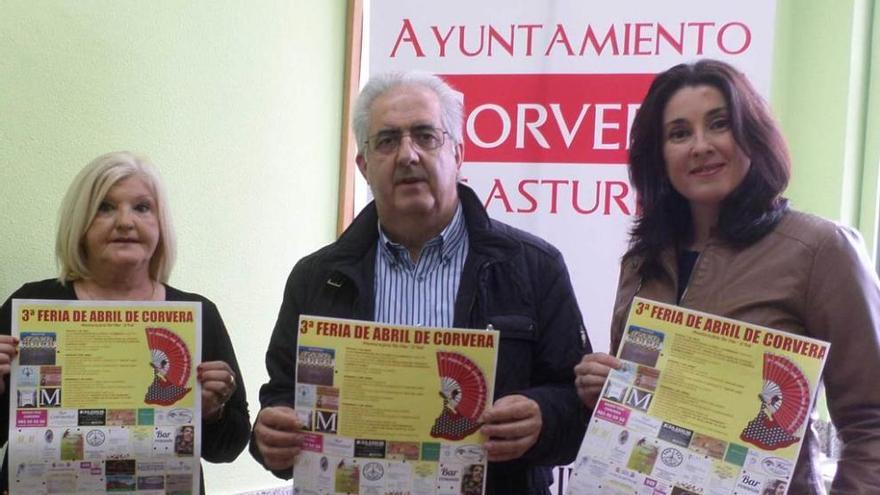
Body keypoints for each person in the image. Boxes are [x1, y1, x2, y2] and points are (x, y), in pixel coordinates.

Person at [251, 71, 590, 494]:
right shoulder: (317, 278)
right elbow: (281, 399)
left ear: (458, 153)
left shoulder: (534, 267)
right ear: (364, 165)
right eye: (388, 140)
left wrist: (543, 416)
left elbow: (580, 409)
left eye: (425, 136)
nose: (407, 154)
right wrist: (271, 437)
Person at [573, 59, 880, 494]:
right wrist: (606, 390)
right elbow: (646, 402)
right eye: (679, 133)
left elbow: (872, 423)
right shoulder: (643, 259)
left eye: (719, 124)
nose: (701, 146)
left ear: (752, 134)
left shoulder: (822, 250)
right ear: (658, 156)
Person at [0, 151, 250, 494]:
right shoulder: (30, 305)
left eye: (142, 207)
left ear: (160, 224)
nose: (125, 222)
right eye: (105, 207)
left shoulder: (198, 314)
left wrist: (212, 412)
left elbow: (230, 447)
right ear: (80, 222)